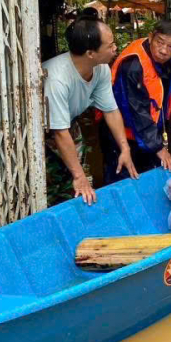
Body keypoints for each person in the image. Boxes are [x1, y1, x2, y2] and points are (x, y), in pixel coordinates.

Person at [43, 16, 138, 206]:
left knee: (76, 182)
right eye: (110, 45)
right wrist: (79, 176)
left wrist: (124, 148)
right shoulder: (57, 79)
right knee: (53, 187)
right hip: (41, 131)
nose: (115, 49)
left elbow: (110, 110)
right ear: (90, 53)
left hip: (67, 124)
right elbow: (59, 133)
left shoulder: (101, 68)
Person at [100, 20, 171, 184]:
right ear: (151, 37)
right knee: (125, 182)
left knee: (148, 179)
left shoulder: (168, 58)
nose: (164, 50)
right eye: (160, 42)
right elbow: (136, 110)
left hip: (147, 133)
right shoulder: (133, 65)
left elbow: (161, 79)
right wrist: (157, 147)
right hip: (123, 135)